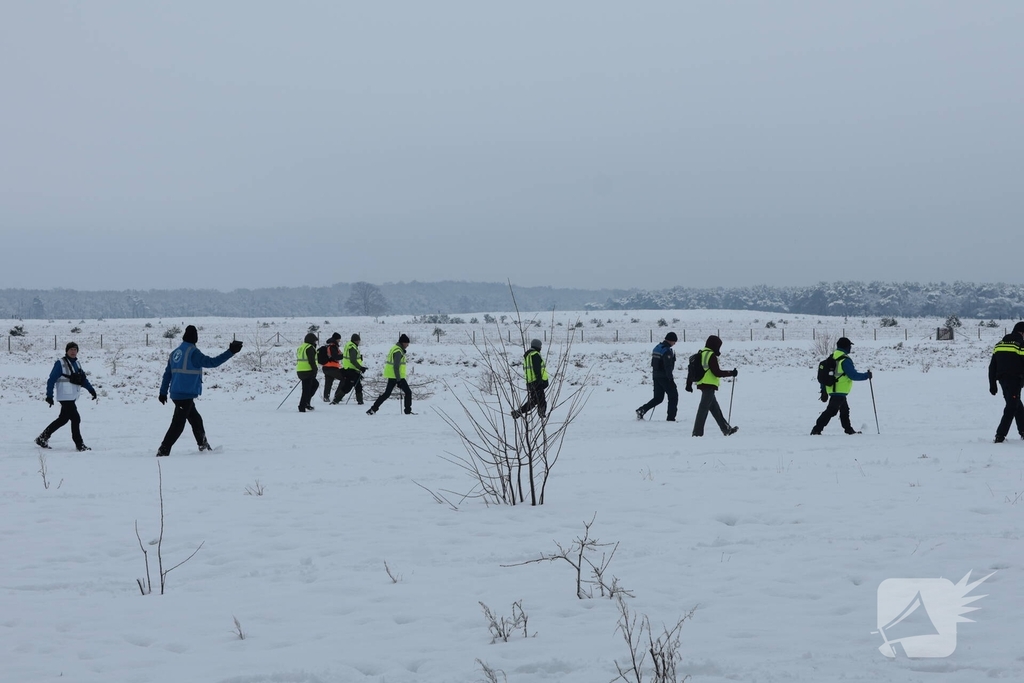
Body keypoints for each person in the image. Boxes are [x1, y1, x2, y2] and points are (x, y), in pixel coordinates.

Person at [156, 326, 243, 456]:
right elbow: (212, 362)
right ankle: (163, 450)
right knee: (178, 424)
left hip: (177, 393)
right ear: (195, 338)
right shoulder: (193, 353)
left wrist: (163, 392)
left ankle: (204, 446)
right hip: (185, 394)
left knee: (196, 420)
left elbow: (167, 374)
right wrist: (231, 352)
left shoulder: (175, 353)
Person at [35, 341, 98, 451]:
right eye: (71, 349)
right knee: (76, 418)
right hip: (64, 397)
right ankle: (79, 444)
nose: (73, 352)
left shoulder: (77, 363)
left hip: (72, 396)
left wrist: (91, 390)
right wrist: (49, 395)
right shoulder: (60, 363)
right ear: (66, 351)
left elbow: (83, 379)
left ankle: (42, 438)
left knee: (63, 419)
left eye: (75, 349)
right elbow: (51, 380)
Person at [810, 336, 872, 435]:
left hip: (832, 389)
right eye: (850, 346)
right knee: (832, 411)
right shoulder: (845, 360)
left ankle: (848, 430)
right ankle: (817, 429)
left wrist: (823, 390)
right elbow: (853, 375)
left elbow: (825, 374)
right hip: (839, 390)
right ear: (847, 347)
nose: (850, 348)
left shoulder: (832, 357)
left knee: (844, 410)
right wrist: (866, 376)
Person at [689, 335, 739, 437]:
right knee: (703, 409)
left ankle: (726, 429)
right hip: (709, 385)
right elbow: (717, 372)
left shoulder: (702, 353)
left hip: (702, 383)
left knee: (715, 409)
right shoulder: (711, 355)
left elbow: (691, 370)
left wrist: (688, 384)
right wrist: (731, 373)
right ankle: (697, 433)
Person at [988, 321, 1024, 443]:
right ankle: (1000, 435)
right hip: (1015, 381)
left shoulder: (999, 345)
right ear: (1022, 333)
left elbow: (992, 367)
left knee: (1017, 405)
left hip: (1003, 381)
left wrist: (992, 384)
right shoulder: (1021, 345)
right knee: (1012, 407)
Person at [636, 332, 678, 421]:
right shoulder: (666, 351)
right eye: (674, 341)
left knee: (658, 398)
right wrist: (670, 378)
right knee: (673, 396)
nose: (675, 343)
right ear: (670, 340)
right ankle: (671, 418)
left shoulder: (657, 348)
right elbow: (668, 366)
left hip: (656, 376)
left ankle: (642, 410)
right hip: (665, 377)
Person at [367, 334, 412, 415]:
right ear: (403, 343)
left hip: (392, 376)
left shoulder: (395, 348)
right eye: (407, 343)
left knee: (386, 394)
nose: (407, 345)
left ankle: (373, 409)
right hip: (397, 376)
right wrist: (399, 380)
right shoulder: (398, 351)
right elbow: (396, 367)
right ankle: (407, 412)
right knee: (408, 392)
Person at [511, 338, 548, 420]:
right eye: (540, 346)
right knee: (537, 400)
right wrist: (540, 381)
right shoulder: (535, 355)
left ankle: (540, 413)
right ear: (538, 346)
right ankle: (540, 414)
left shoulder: (528, 356)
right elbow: (537, 369)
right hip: (537, 382)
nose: (541, 348)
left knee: (536, 400)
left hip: (530, 382)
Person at [333, 333, 367, 405]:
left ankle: (360, 401)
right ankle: (336, 400)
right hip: (351, 370)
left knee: (358, 386)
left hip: (352, 369)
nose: (359, 342)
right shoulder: (352, 347)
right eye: (358, 340)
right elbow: (353, 360)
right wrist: (360, 368)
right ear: (356, 340)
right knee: (347, 387)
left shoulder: (349, 345)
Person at [296, 332, 320, 413]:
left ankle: (306, 403)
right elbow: (312, 361)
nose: (315, 342)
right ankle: (302, 406)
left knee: (314, 385)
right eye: (314, 341)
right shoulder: (310, 348)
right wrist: (315, 370)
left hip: (300, 370)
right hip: (308, 371)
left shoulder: (301, 347)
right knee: (306, 390)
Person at [321, 332, 344, 403]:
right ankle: (337, 395)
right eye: (339, 339)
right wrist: (343, 356)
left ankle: (326, 397)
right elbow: (335, 356)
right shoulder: (333, 346)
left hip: (326, 367)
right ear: (336, 339)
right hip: (332, 367)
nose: (339, 341)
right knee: (344, 378)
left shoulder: (328, 346)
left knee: (328, 382)